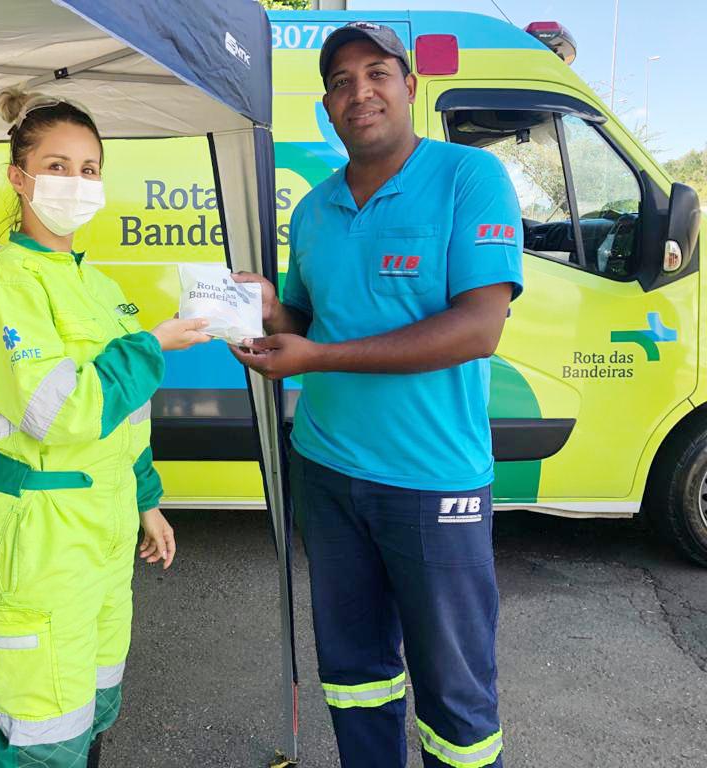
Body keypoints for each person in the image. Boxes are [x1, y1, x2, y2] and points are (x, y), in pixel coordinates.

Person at [231, 22, 524, 768]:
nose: (358, 91)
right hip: (327, 471)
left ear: (409, 86)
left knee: (455, 693)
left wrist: (317, 355)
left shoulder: (468, 177)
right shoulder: (315, 210)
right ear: (327, 106)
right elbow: (308, 320)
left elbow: (478, 329)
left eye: (376, 73)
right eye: (340, 82)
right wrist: (268, 309)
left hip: (433, 481)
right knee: (355, 673)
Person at [0, 89, 210, 768]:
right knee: (41, 740)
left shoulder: (97, 286)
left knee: (90, 713)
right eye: (57, 166)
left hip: (101, 530)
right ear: (18, 176)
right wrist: (149, 346)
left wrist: (147, 500)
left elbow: (125, 422)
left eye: (90, 169)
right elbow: (58, 412)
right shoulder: (7, 285)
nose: (77, 182)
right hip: (38, 535)